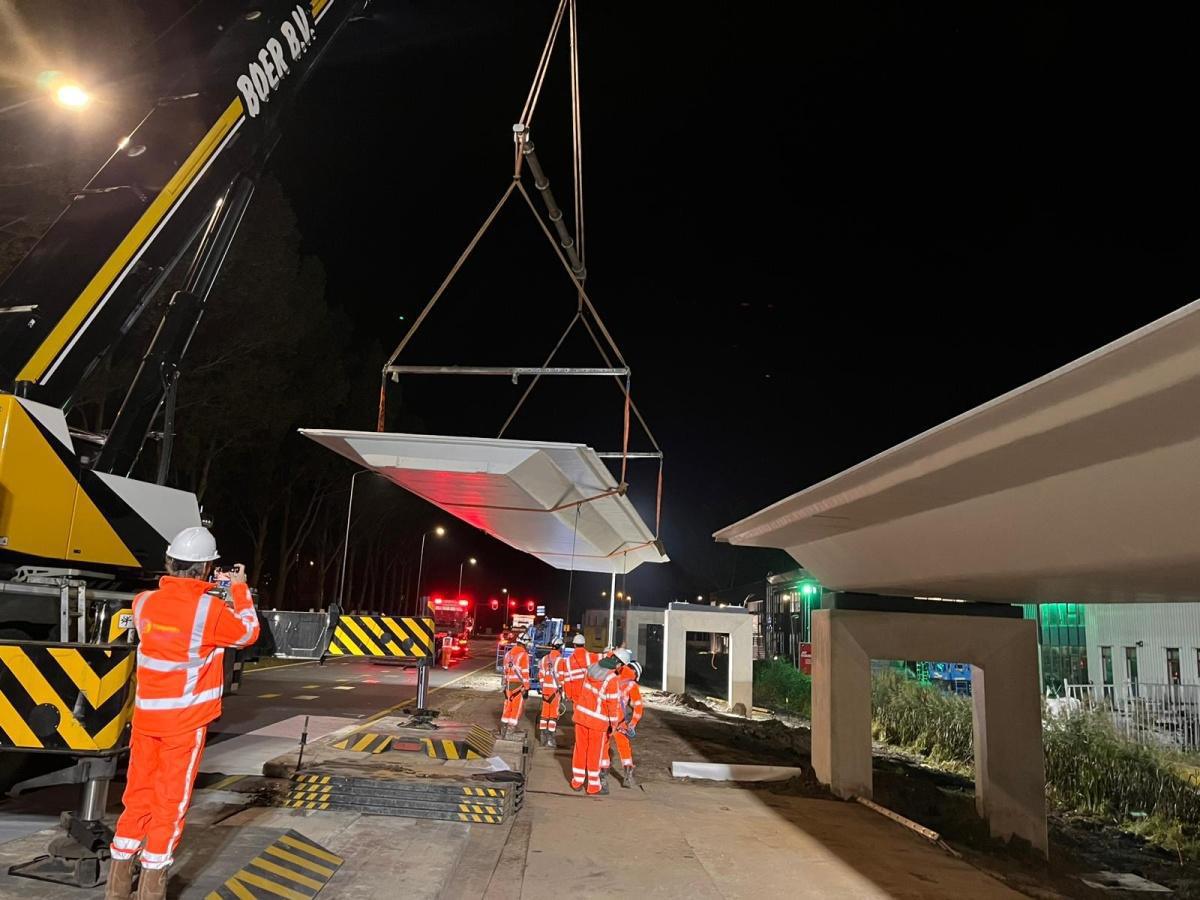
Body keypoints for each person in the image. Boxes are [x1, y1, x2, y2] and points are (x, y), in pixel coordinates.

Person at [107, 526, 259, 900]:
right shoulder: (209, 610)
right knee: (169, 805)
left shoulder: (143, 603)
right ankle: (151, 889)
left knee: (136, 797)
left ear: (169, 562)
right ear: (207, 569)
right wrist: (237, 589)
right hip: (184, 724)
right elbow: (248, 633)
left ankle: (117, 886)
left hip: (145, 721)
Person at [570, 651, 626, 795]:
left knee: (580, 749)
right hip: (598, 722)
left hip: (581, 717)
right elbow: (612, 704)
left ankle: (577, 781)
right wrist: (614, 724)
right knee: (595, 752)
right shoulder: (612, 678)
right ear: (618, 664)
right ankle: (593, 786)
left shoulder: (591, 668)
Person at [612, 655, 645, 787]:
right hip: (619, 721)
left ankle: (600, 775)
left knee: (602, 746)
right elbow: (638, 707)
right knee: (624, 746)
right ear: (635, 674)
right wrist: (632, 724)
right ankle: (628, 776)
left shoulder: (611, 676)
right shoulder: (631, 685)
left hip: (604, 718)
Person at [537, 638, 568, 747]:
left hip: (545, 691)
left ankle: (542, 737)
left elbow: (540, 675)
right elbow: (562, 677)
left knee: (544, 714)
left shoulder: (544, 659)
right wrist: (563, 691)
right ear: (560, 647)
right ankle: (550, 739)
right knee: (553, 716)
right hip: (555, 692)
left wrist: (543, 687)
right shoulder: (561, 660)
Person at [500, 634, 531, 740]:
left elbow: (504, 671)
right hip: (518, 685)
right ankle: (510, 732)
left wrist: (504, 685)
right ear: (525, 643)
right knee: (516, 708)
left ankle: (503, 730)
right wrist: (526, 687)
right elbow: (525, 673)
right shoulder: (524, 655)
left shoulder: (508, 654)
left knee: (508, 706)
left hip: (508, 684)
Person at [563, 633, 597, 704]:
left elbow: (567, 680)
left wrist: (569, 695)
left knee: (578, 714)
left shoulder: (568, 661)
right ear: (584, 644)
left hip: (576, 694)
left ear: (574, 645)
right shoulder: (591, 656)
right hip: (589, 692)